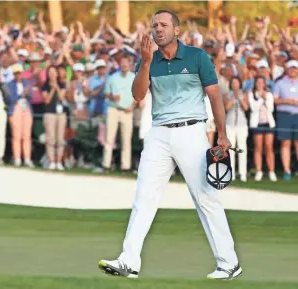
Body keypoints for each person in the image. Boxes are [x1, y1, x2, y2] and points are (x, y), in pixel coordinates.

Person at [99, 10, 242, 280]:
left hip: (192, 131)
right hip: (159, 134)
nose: (158, 29)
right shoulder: (149, 61)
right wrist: (144, 62)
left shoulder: (197, 57)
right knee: (143, 197)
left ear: (177, 30)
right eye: (154, 25)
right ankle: (129, 260)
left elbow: (214, 96)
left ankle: (229, 262)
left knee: (205, 198)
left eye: (164, 25)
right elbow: (138, 95)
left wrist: (222, 133)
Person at [274, 60, 298, 181]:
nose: (293, 70)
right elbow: (275, 100)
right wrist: (286, 101)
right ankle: (287, 171)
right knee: (285, 142)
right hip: (284, 115)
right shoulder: (280, 83)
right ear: (287, 69)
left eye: (295, 68)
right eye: (291, 68)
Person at [101, 55, 136, 172]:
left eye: (126, 63)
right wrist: (112, 96)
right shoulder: (112, 77)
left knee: (126, 140)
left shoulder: (134, 77)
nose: (124, 65)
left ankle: (125, 167)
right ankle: (106, 165)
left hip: (127, 111)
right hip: (114, 109)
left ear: (130, 65)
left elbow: (138, 94)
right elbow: (106, 94)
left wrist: (132, 106)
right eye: (122, 63)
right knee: (109, 138)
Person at [248, 76, 277, 182]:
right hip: (257, 123)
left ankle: (271, 171)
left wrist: (265, 98)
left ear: (265, 84)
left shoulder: (269, 94)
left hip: (268, 123)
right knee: (258, 147)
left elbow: (271, 108)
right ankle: (259, 171)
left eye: (262, 82)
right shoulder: (252, 94)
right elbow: (254, 108)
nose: (260, 84)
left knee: (269, 147)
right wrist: (261, 98)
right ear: (255, 83)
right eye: (258, 82)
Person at [7, 63, 34, 167]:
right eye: (16, 73)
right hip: (15, 108)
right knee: (16, 135)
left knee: (27, 135)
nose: (18, 75)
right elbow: (10, 98)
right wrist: (21, 94)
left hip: (26, 107)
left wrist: (26, 94)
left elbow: (31, 97)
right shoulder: (9, 84)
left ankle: (27, 158)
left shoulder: (26, 83)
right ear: (14, 74)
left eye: (20, 73)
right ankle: (17, 158)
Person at [42, 65, 67, 170]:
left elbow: (62, 97)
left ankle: (59, 161)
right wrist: (52, 89)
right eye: (50, 72)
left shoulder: (62, 84)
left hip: (60, 114)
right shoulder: (45, 85)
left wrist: (56, 87)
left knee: (60, 138)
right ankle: (52, 161)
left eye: (54, 72)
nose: (52, 74)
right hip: (50, 113)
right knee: (50, 138)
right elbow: (46, 100)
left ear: (57, 73)